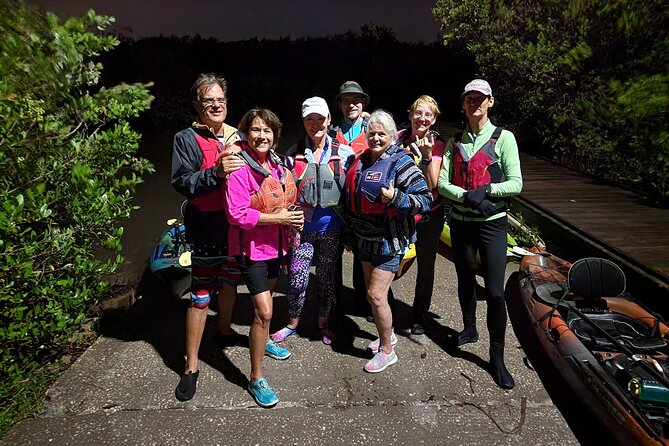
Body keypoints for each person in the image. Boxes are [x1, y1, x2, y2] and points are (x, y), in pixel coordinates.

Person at [438, 79, 523, 389]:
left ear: (491, 102)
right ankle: (469, 328)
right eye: (469, 98)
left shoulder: (504, 139)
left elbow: (516, 183)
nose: (475, 103)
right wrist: (465, 196)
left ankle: (497, 357)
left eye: (480, 98)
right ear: (463, 104)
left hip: (492, 225)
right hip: (461, 223)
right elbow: (443, 184)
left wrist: (486, 189)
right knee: (464, 279)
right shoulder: (455, 141)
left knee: (496, 292)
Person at [171, 73, 246, 402]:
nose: (216, 105)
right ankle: (191, 366)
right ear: (197, 105)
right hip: (205, 226)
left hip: (236, 225)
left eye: (220, 100)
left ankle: (225, 331)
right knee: (200, 295)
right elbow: (182, 182)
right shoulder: (185, 139)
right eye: (208, 100)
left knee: (230, 283)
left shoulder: (238, 136)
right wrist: (215, 172)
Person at [224, 108, 303, 408]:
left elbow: (286, 200)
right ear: (246, 133)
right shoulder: (238, 167)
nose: (262, 136)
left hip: (276, 248)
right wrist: (280, 219)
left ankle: (264, 339)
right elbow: (237, 214)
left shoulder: (277, 164)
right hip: (251, 249)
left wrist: (293, 220)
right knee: (264, 312)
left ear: (275, 135)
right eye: (256, 130)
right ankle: (256, 378)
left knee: (267, 301)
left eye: (268, 131)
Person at [344, 109, 432, 373]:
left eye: (382, 134)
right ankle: (389, 334)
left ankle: (387, 351)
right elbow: (351, 203)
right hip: (364, 240)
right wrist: (349, 235)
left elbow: (425, 200)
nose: (376, 138)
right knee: (373, 296)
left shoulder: (401, 163)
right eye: (371, 133)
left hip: (390, 240)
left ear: (393, 137)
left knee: (375, 294)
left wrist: (396, 198)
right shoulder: (362, 161)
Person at [271, 97, 355, 345]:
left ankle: (323, 323)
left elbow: (352, 194)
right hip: (302, 229)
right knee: (297, 279)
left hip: (333, 228)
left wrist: (351, 233)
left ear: (329, 120)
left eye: (320, 119)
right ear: (304, 122)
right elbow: (282, 190)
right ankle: (292, 323)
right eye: (310, 119)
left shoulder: (346, 154)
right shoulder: (292, 153)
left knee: (327, 278)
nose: (316, 124)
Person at [329, 81, 396, 317]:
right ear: (339, 104)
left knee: (364, 255)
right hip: (338, 203)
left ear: (364, 103)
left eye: (356, 100)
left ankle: (367, 302)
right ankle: (332, 302)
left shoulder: (373, 129)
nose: (351, 104)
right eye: (346, 100)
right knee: (334, 256)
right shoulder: (330, 132)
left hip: (368, 204)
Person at [395, 95, 447, 335]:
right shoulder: (398, 138)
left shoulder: (436, 145)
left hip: (428, 215)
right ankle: (384, 304)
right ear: (410, 115)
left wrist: (426, 158)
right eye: (418, 113)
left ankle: (419, 315)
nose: (422, 118)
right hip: (401, 211)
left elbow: (432, 183)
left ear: (434, 119)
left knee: (426, 267)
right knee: (391, 260)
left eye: (428, 115)